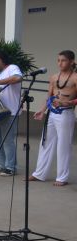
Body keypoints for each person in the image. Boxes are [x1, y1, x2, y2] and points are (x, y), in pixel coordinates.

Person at [30, 50, 76, 186]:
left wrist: (68, 103)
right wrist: (42, 110)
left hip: (65, 113)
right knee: (45, 142)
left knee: (63, 145)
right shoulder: (54, 77)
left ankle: (62, 178)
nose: (60, 63)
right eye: (58, 60)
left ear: (71, 62)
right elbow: (49, 96)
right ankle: (39, 174)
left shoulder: (75, 77)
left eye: (63, 60)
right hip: (51, 113)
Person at [0, 50, 23, 176]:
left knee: (8, 140)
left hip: (10, 111)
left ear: (3, 60)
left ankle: (11, 167)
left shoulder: (12, 68)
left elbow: (18, 78)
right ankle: (1, 164)